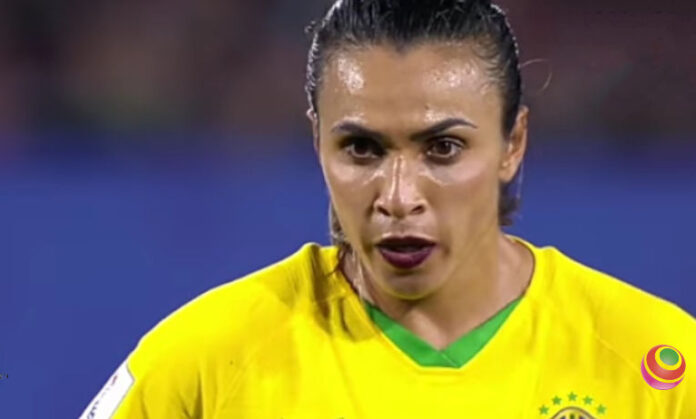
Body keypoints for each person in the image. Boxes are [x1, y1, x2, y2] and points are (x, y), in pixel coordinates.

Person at [80, 0, 696, 417]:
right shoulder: (204, 364)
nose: (398, 197)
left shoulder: (659, 366)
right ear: (317, 142)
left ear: (513, 143)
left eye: (443, 148)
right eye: (362, 148)